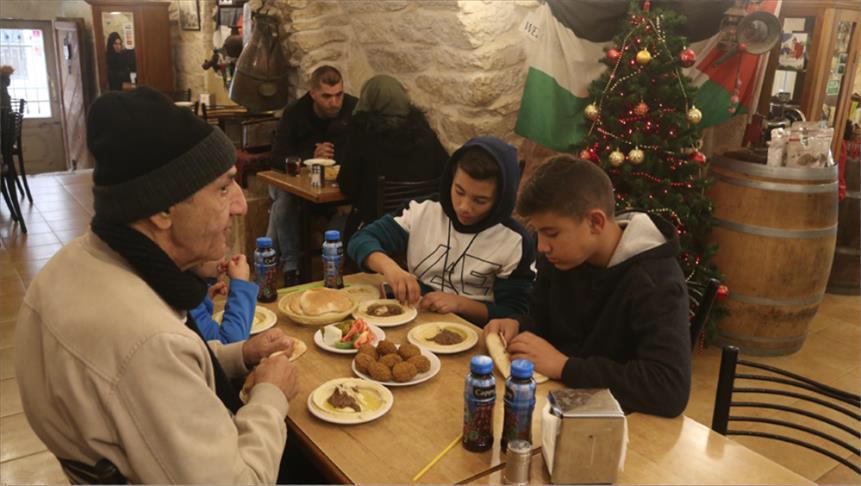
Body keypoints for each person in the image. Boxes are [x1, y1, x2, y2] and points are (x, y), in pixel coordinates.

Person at [15, 87, 300, 483]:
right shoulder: (147, 342)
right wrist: (270, 395)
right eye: (223, 187)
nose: (239, 205)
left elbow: (164, 376)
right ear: (162, 209)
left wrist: (239, 354)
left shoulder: (70, 264)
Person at [483, 155, 691, 417]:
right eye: (539, 233)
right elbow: (543, 323)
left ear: (596, 222)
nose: (542, 247)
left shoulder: (655, 281)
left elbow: (669, 388)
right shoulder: (561, 257)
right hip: (554, 408)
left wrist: (565, 367)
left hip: (625, 430)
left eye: (552, 233)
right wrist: (517, 325)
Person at [347, 136, 535, 326]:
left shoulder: (515, 241)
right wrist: (391, 268)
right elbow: (361, 239)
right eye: (459, 191)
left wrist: (460, 304)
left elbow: (513, 314)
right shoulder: (423, 210)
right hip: (415, 319)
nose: (464, 207)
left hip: (474, 332)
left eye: (480, 200)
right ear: (451, 178)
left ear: (501, 199)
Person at [267, 65, 358, 286]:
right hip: (293, 181)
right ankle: (291, 269)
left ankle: (270, 261)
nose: (334, 102)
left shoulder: (353, 108)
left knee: (352, 204)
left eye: (338, 95)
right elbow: (276, 158)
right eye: (327, 96)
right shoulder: (296, 112)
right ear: (313, 94)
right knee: (285, 198)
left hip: (335, 184)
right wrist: (311, 156)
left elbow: (360, 149)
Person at [337, 74, 448, 241]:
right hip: (422, 232)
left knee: (336, 227)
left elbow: (347, 186)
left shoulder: (362, 135)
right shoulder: (427, 136)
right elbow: (446, 174)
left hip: (377, 231)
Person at [189, 254, 258, 344]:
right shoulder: (182, 300)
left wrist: (203, 299)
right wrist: (241, 284)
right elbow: (229, 345)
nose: (224, 256)